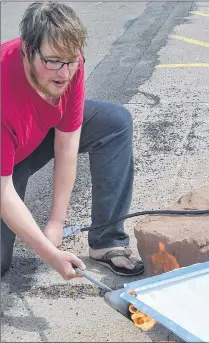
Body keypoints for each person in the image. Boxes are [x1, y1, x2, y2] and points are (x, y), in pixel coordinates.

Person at [1, 1, 144, 279]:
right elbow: (3, 191)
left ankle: (106, 241)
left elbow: (67, 144)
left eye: (72, 61)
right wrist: (49, 253)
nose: (65, 73)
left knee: (114, 123)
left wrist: (56, 222)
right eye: (53, 61)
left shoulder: (68, 65)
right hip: (6, 159)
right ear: (27, 50)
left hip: (33, 136)